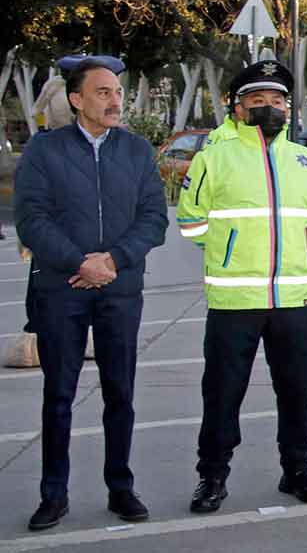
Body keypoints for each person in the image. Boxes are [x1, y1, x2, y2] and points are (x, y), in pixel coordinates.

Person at [15, 57, 167, 530]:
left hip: (120, 290)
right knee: (59, 395)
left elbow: (153, 219)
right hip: (61, 290)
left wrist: (112, 261)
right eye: (102, 92)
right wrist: (80, 262)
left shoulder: (137, 152)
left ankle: (120, 487)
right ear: (76, 99)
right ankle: (53, 494)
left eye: (117, 91)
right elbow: (32, 219)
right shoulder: (44, 152)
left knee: (120, 392)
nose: (115, 100)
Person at [177, 60, 307, 513]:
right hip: (233, 302)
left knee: (297, 392)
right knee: (222, 394)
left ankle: (297, 470)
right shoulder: (214, 157)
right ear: (238, 106)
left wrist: (292, 253)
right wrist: (233, 250)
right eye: (258, 100)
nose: (270, 107)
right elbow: (191, 222)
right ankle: (212, 477)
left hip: (293, 300)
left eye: (278, 100)